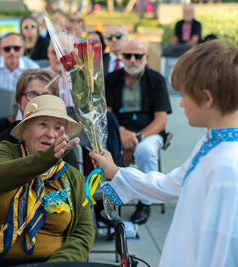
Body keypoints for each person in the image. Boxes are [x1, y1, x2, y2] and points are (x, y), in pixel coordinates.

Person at [90, 39, 238, 267]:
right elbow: (172, 185)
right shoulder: (210, 143)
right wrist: (117, 172)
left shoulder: (226, 167)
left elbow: (222, 254)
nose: (181, 104)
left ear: (207, 98)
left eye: (185, 95)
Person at [0, 95, 95, 266]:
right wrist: (45, 160)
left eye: (58, 127)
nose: (50, 134)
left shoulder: (73, 177)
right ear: (25, 130)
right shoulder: (5, 152)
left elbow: (83, 233)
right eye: (42, 124)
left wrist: (58, 263)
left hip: (49, 263)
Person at [105, 39, 172, 224]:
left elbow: (161, 120)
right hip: (118, 131)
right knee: (107, 152)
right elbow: (106, 115)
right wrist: (120, 134)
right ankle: (112, 200)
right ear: (122, 57)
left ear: (146, 57)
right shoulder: (110, 79)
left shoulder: (156, 79)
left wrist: (135, 138)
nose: (133, 59)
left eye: (138, 55)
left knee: (145, 150)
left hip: (148, 134)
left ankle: (145, 203)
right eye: (128, 55)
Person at [0, 33, 40, 145]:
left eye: (16, 48)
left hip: (23, 116)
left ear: (22, 50)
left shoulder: (33, 68)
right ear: (0, 51)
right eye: (7, 49)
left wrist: (17, 114)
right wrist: (7, 113)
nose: (12, 52)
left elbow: (37, 98)